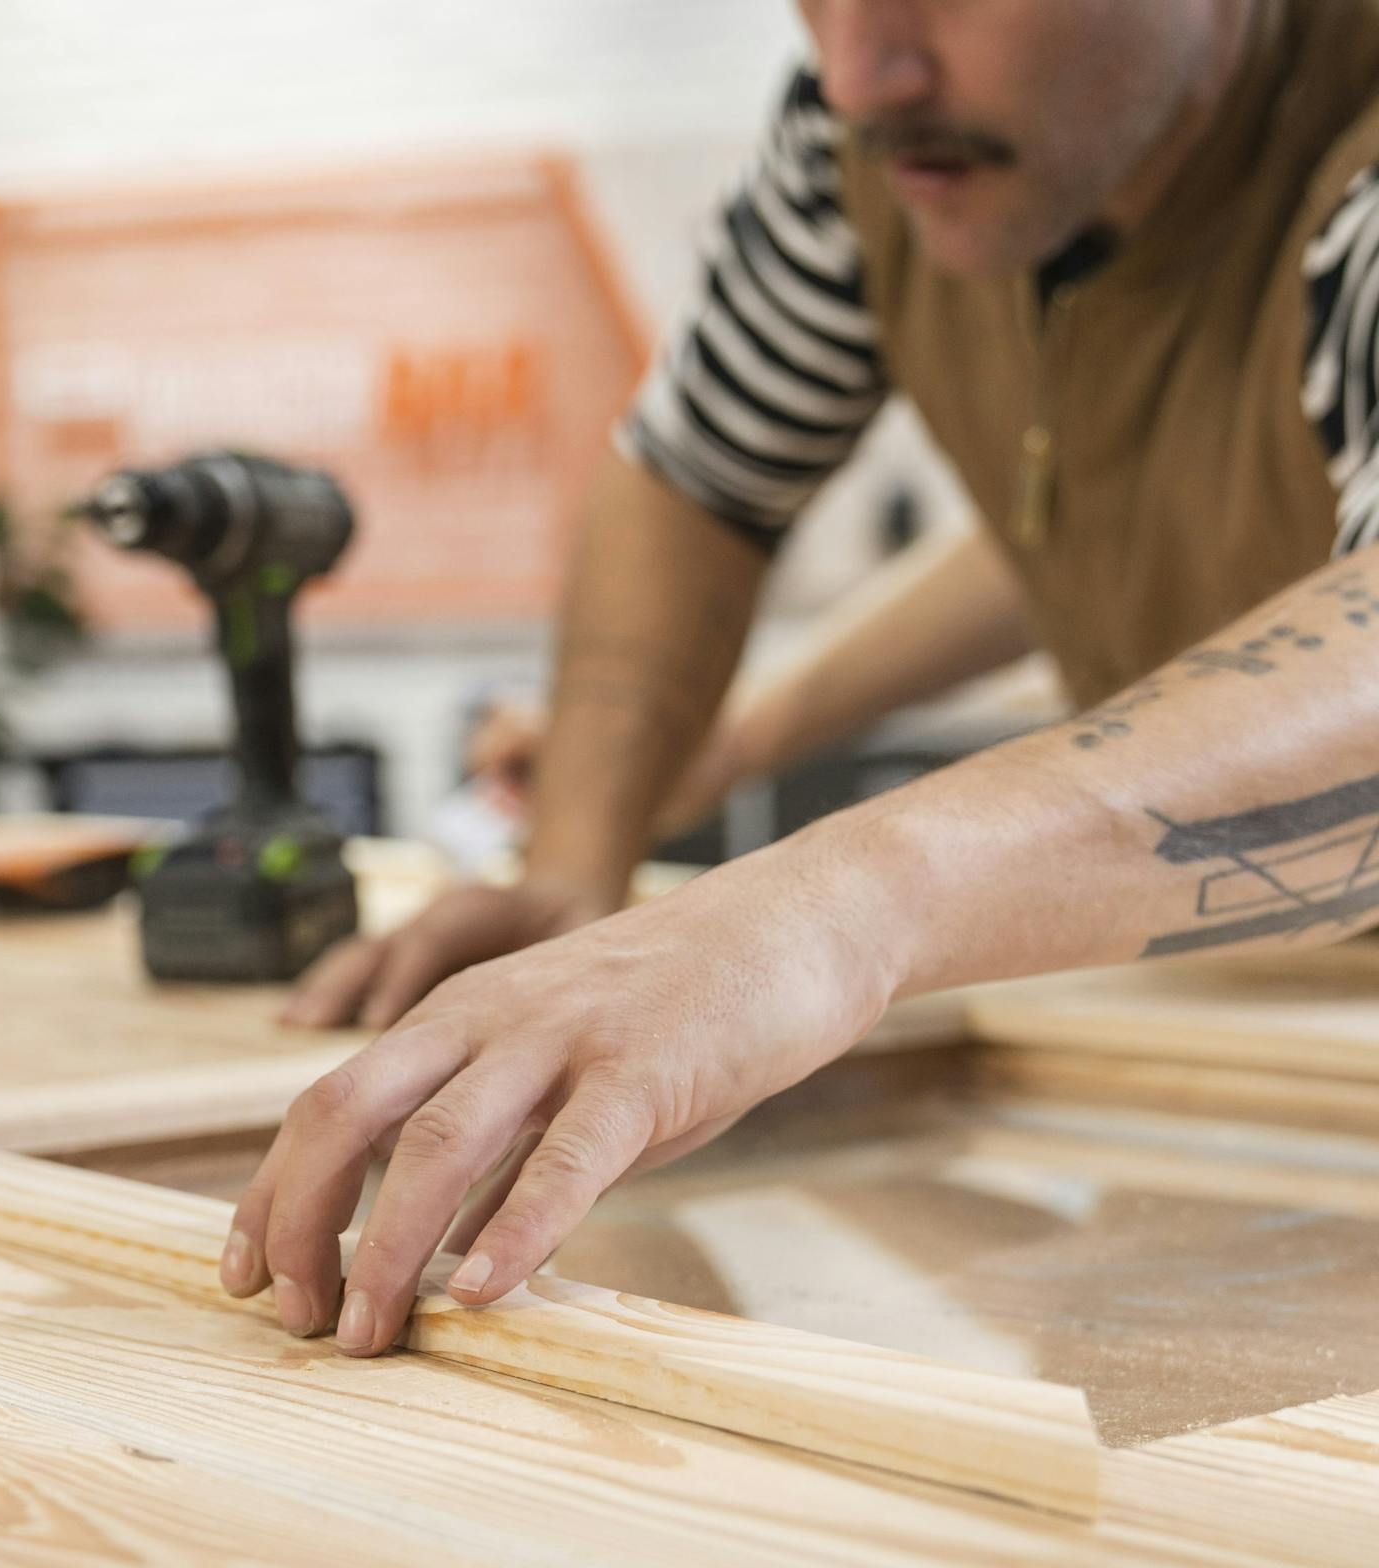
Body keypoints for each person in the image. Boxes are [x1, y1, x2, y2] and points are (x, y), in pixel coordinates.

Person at [225, 0, 1379, 1357]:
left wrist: (843, 908)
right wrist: (580, 858)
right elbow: (701, 470)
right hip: (1253, 1030)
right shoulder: (896, 138)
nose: (858, 72)